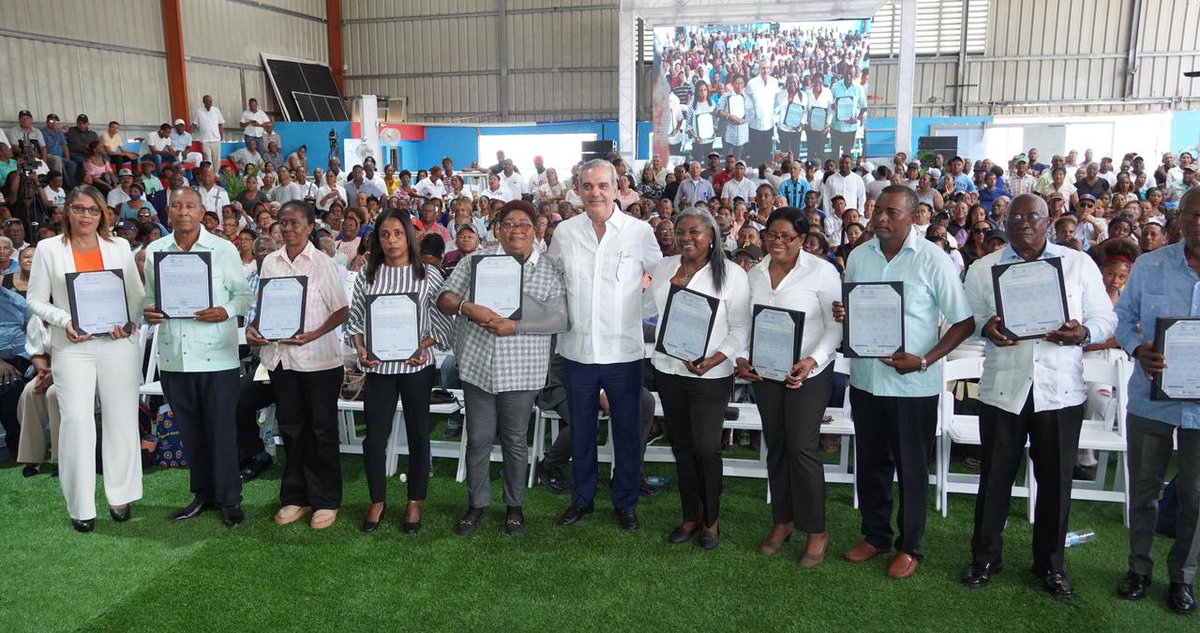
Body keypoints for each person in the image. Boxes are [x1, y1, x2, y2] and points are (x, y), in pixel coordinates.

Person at [959, 193, 1116, 597]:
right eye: (1016, 216)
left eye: (1033, 216)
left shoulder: (1077, 264)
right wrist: (986, 329)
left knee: (1056, 482)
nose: (1024, 222)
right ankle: (985, 558)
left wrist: (1083, 332)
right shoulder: (983, 268)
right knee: (994, 477)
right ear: (1005, 222)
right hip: (1002, 389)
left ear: (1049, 222)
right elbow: (972, 319)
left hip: (1060, 392)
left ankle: (1050, 566)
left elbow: (1105, 316)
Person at [835, 185, 974, 578]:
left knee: (912, 470)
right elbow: (860, 307)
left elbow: (963, 322)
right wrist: (847, 312)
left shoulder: (934, 260)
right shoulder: (859, 256)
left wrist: (926, 360)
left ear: (914, 217)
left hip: (913, 386)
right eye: (878, 210)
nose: (880, 218)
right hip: (867, 380)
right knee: (872, 465)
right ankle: (875, 535)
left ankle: (910, 546)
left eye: (891, 212)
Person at [437, 200, 567, 535]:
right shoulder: (476, 262)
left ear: (535, 227)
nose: (517, 230)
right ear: (498, 228)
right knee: (478, 439)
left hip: (522, 370)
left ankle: (514, 507)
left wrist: (517, 327)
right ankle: (476, 504)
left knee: (514, 440)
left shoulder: (548, 269)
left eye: (524, 223)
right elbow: (444, 298)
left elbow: (560, 318)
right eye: (509, 223)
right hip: (479, 365)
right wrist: (468, 307)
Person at [548, 158, 662, 531]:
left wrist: (641, 305)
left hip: (624, 353)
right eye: (587, 186)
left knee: (627, 432)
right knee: (581, 430)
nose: (595, 192)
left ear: (617, 188)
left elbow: (659, 278)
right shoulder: (564, 232)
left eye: (602, 186)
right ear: (578, 190)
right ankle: (582, 500)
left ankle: (625, 501)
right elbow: (552, 282)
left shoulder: (638, 231)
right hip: (577, 351)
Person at [26, 185, 145, 533]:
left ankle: (119, 494)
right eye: (79, 209)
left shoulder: (119, 246)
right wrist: (64, 321)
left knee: (121, 418)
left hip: (117, 345)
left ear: (102, 214)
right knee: (76, 420)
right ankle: (81, 504)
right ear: (68, 212)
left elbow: (136, 295)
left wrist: (129, 321)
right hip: (72, 346)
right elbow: (35, 300)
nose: (86, 216)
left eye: (93, 210)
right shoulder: (49, 249)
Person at [142, 187, 253, 529]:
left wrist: (226, 310)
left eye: (190, 205)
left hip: (217, 355)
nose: (183, 211)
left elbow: (244, 295)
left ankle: (230, 499)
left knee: (221, 430)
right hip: (176, 356)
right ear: (168, 212)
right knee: (191, 432)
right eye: (176, 205)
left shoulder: (221, 249)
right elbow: (148, 299)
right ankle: (202, 493)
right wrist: (150, 312)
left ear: (202, 210)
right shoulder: (155, 252)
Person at [735, 207, 841, 564]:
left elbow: (834, 326)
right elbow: (746, 323)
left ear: (802, 239)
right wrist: (743, 357)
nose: (778, 242)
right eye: (772, 235)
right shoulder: (755, 274)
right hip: (766, 373)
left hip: (807, 373)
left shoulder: (822, 272)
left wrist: (812, 362)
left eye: (787, 237)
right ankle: (783, 520)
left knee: (802, 447)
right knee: (777, 445)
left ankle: (816, 530)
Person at [1113, 187, 1200, 614]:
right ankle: (1139, 569)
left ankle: (1182, 578)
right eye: (1191, 214)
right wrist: (1136, 347)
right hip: (1151, 400)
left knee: (1196, 498)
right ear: (1178, 218)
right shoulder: (1149, 267)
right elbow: (1124, 317)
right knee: (1145, 491)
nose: (1198, 222)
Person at [646, 208, 749, 549]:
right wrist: (670, 285)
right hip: (669, 369)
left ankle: (712, 520)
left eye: (695, 232)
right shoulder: (664, 267)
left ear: (711, 236)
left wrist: (715, 359)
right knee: (682, 446)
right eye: (681, 232)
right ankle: (690, 516)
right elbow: (646, 308)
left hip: (711, 374)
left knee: (706, 448)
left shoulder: (731, 274)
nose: (686, 237)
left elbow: (740, 329)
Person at [246, 201, 349, 530]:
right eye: (283, 223)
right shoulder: (270, 263)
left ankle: (325, 499)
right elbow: (264, 307)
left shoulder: (323, 263)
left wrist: (313, 334)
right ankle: (296, 495)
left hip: (318, 361)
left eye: (294, 223)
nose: (287, 229)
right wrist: (255, 330)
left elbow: (341, 310)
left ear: (309, 227)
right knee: (292, 430)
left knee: (321, 431)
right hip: (280, 360)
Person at [345, 208, 450, 534]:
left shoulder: (428, 275)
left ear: (410, 236)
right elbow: (356, 319)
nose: (391, 240)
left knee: (419, 434)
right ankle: (377, 499)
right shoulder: (368, 275)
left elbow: (445, 322)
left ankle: (414, 500)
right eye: (384, 234)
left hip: (416, 366)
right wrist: (361, 348)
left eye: (397, 233)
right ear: (377, 239)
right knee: (374, 438)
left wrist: (425, 345)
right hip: (379, 368)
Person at [192, 95, 225, 167]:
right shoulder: (199, 112)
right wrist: (187, 133)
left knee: (217, 160)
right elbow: (194, 125)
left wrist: (222, 136)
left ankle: (216, 174)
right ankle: (210, 175)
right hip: (205, 140)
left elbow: (220, 124)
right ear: (203, 102)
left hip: (216, 139)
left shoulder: (216, 110)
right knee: (208, 160)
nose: (209, 103)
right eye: (207, 101)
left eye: (210, 101)